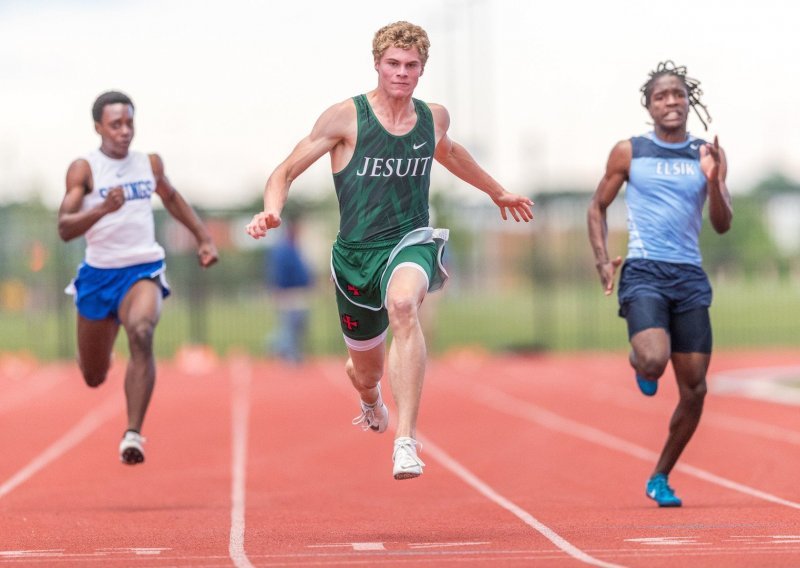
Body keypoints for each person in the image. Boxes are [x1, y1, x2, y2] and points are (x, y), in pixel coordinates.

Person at [246, 21, 533, 480]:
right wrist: (271, 212)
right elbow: (284, 171)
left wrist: (497, 192)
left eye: (411, 65)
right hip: (357, 257)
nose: (401, 72)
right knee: (366, 371)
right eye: (393, 64)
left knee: (403, 305)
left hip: (410, 241)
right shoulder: (345, 117)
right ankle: (369, 398)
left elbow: (452, 153)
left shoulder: (432, 116)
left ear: (422, 69)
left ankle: (406, 441)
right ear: (377, 65)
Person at [587, 61, 733, 506]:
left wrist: (714, 180)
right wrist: (602, 260)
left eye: (677, 95)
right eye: (661, 96)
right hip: (646, 269)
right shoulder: (629, 152)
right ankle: (641, 365)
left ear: (688, 102)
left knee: (696, 389)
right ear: (649, 106)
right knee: (654, 359)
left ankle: (660, 476)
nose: (670, 101)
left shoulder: (706, 153)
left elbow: (723, 224)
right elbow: (597, 206)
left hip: (688, 275)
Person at [58, 91, 218, 465]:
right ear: (98, 127)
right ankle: (105, 342)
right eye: (116, 124)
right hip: (98, 276)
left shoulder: (149, 164)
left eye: (129, 122)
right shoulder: (84, 169)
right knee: (94, 376)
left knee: (143, 333)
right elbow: (65, 228)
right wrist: (102, 208)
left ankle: (133, 433)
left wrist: (204, 238)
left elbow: (173, 198)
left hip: (142, 268)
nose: (125, 131)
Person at [265, 220, 314, 364]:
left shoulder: (294, 247)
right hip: (288, 292)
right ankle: (284, 352)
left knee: (297, 326)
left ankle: (288, 351)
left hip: (298, 291)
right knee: (288, 326)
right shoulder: (283, 249)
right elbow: (279, 272)